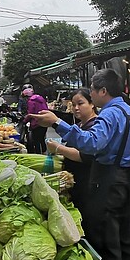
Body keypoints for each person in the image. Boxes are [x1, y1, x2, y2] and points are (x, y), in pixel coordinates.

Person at [30, 69, 130, 260]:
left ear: (103, 91)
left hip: (109, 182)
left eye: (92, 90)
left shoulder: (110, 114)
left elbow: (91, 143)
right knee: (125, 237)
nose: (90, 94)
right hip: (127, 181)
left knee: (108, 240)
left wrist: (58, 123)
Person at [46, 88, 98, 236]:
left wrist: (58, 148)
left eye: (80, 103)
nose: (76, 108)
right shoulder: (80, 126)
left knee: (87, 222)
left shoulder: (94, 127)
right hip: (76, 181)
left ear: (92, 104)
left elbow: (84, 156)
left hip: (87, 182)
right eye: (73, 104)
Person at [22, 88, 49, 154]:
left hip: (36, 122)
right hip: (45, 121)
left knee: (36, 140)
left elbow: (30, 114)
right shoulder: (41, 99)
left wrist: (24, 121)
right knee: (42, 138)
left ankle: (38, 153)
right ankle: (44, 152)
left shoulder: (31, 101)